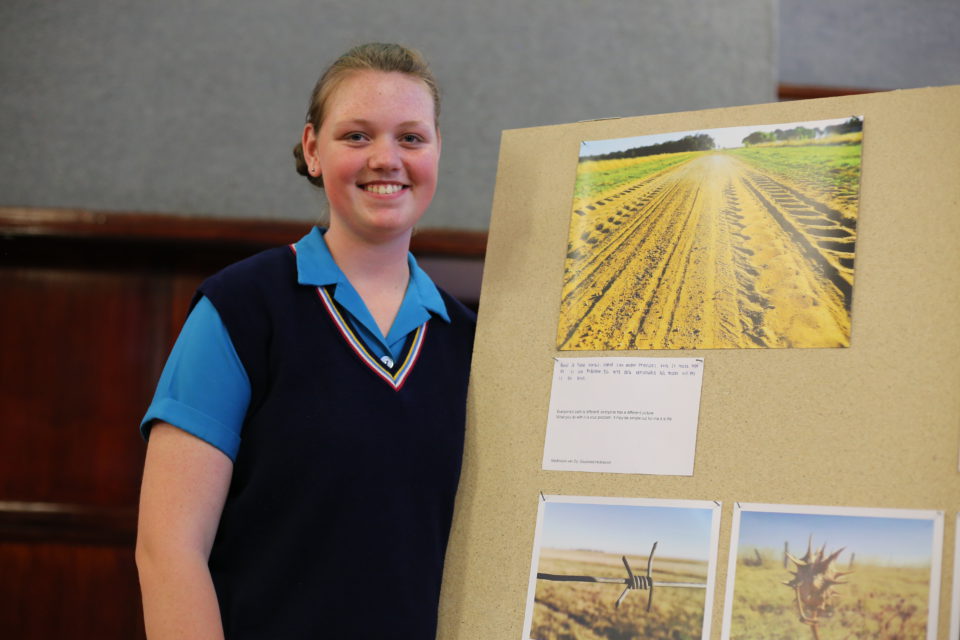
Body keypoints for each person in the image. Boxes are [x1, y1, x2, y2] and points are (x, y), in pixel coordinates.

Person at [135, 43, 476, 639]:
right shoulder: (240, 309)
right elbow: (168, 551)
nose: (386, 159)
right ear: (314, 150)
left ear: (438, 152)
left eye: (412, 138)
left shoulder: (470, 342)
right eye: (357, 136)